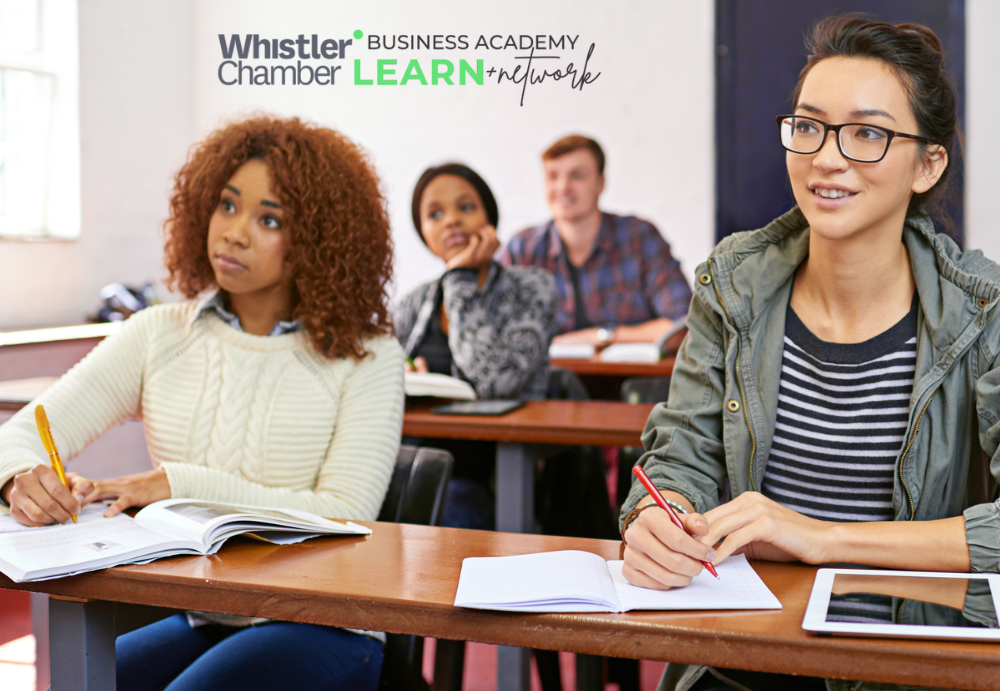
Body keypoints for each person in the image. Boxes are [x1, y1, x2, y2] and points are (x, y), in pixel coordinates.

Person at [618, 15, 1000, 691]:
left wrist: (826, 539)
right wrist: (661, 512)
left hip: (910, 667)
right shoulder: (734, 284)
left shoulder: (985, 309)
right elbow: (680, 455)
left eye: (868, 134)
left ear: (928, 164)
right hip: (742, 660)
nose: (827, 158)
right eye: (808, 126)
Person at [0, 115, 404, 691]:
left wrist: (175, 483)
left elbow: (344, 515)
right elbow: (20, 435)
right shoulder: (158, 335)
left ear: (318, 238)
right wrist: (18, 479)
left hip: (329, 622)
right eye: (227, 205)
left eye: (269, 219)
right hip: (206, 613)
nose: (234, 233)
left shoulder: (368, 356)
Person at [393, 163, 556, 530]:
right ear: (423, 231)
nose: (451, 220)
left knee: (449, 507)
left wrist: (460, 279)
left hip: (493, 473)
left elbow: (492, 381)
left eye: (465, 207)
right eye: (435, 214)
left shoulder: (531, 288)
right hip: (413, 463)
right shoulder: (414, 303)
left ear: (489, 218)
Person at [496, 134, 692, 346]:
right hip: (550, 378)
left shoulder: (640, 238)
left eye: (577, 176)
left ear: (600, 183)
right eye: (553, 176)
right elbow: (488, 326)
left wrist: (600, 337)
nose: (563, 187)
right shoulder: (522, 249)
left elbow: (682, 326)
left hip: (632, 377)